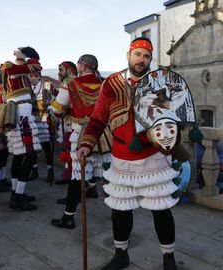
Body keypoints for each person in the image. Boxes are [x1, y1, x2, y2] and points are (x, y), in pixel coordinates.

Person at [76, 37, 180, 270]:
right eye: (137, 54)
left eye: (146, 56)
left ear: (150, 59)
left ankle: (169, 259)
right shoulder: (112, 83)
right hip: (122, 156)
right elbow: (98, 117)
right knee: (120, 211)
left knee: (161, 210)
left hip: (154, 156)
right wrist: (86, 143)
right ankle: (121, 254)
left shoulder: (160, 82)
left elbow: (173, 116)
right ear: (128, 55)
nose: (141, 60)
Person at [50, 55, 111, 229]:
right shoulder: (104, 85)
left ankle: (68, 217)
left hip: (81, 133)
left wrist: (66, 109)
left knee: (78, 178)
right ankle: (119, 213)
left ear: (83, 66)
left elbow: (57, 110)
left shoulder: (70, 83)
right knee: (110, 177)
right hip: (104, 134)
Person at [1, 46, 42, 211]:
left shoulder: (18, 70)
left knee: (19, 156)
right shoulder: (12, 66)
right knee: (30, 156)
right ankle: (18, 196)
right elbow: (36, 66)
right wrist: (24, 55)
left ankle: (16, 193)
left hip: (19, 114)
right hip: (22, 115)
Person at [28, 71, 55, 183]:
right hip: (32, 117)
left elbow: (48, 101)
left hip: (43, 117)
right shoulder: (28, 86)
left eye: (31, 77)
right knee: (33, 144)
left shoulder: (46, 84)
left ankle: (50, 170)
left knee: (46, 144)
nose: (29, 79)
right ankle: (34, 169)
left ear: (37, 76)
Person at [54, 61, 77, 185]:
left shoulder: (67, 83)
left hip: (70, 122)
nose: (59, 72)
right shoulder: (78, 81)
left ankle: (71, 178)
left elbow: (58, 109)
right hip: (81, 123)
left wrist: (53, 111)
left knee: (69, 150)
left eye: (61, 70)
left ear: (68, 70)